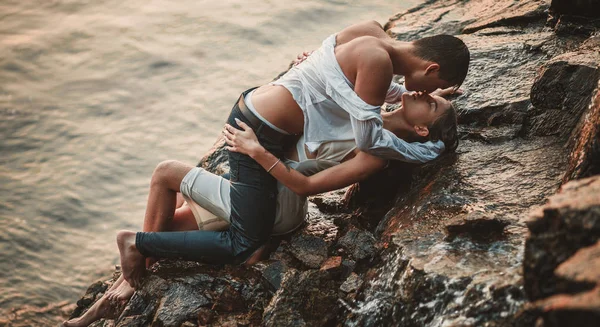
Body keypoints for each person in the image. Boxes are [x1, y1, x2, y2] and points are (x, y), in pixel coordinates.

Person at [63, 89, 457, 327]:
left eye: (433, 104)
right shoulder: (369, 114)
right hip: (261, 197)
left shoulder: (375, 153)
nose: (426, 95)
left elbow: (306, 183)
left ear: (421, 129)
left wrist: (256, 149)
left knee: (167, 173)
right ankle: (109, 302)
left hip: (277, 207)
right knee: (171, 220)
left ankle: (128, 275)